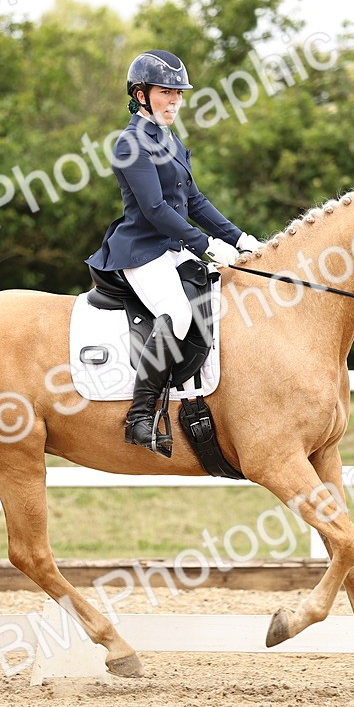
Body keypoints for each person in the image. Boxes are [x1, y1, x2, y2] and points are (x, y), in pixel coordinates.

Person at [86, 49, 262, 457]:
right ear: (141, 95)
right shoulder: (130, 143)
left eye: (179, 93)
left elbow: (194, 200)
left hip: (173, 248)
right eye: (166, 92)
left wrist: (241, 239)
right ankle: (139, 417)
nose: (175, 101)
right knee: (178, 314)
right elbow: (154, 209)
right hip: (142, 251)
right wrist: (206, 245)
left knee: (222, 295)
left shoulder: (170, 138)